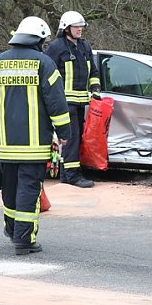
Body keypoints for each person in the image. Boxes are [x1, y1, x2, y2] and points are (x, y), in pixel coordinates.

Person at [0, 16, 72, 255]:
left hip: (6, 145)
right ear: (39, 40)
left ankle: (12, 231)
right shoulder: (44, 64)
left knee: (9, 190)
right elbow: (57, 102)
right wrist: (64, 132)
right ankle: (24, 239)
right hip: (34, 146)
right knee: (29, 190)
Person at [45, 10, 101, 188]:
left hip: (80, 102)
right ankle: (72, 176)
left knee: (76, 139)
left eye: (81, 26)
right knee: (72, 138)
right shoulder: (56, 48)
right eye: (76, 26)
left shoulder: (84, 47)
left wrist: (95, 88)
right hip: (64, 102)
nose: (80, 29)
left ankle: (65, 174)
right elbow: (46, 72)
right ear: (66, 28)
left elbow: (93, 71)